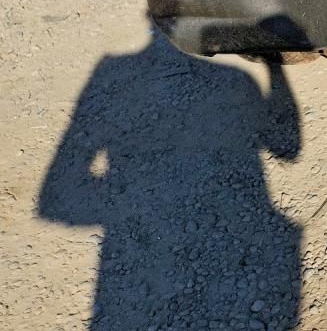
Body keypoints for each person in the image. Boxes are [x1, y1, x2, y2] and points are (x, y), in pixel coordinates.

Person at [38, 33, 303, 330]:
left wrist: (130, 202)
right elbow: (288, 150)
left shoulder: (113, 69)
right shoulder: (237, 79)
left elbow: (55, 200)